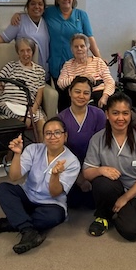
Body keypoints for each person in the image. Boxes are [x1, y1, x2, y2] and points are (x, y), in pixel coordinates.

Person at [0, 117, 80, 254]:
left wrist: (55, 175)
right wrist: (17, 154)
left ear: (65, 136)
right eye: (48, 133)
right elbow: (14, 177)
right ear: (43, 136)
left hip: (51, 203)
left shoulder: (72, 162)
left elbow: (55, 193)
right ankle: (28, 231)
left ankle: (13, 222)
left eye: (57, 133)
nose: (53, 137)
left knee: (55, 217)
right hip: (27, 195)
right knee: (2, 188)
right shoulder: (33, 149)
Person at [83, 93, 136, 240]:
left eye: (125, 113)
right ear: (107, 115)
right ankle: (104, 215)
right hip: (112, 187)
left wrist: (125, 198)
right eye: (115, 113)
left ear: (131, 114)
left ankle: (119, 210)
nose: (120, 118)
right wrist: (100, 170)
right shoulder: (98, 138)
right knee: (101, 182)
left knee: (132, 232)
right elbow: (87, 173)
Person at [10, 0, 103, 81]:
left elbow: (90, 38)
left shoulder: (81, 15)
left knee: (78, 91)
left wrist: (99, 60)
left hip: (77, 63)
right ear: (57, 0)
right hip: (55, 63)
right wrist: (19, 14)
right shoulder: (49, 12)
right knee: (59, 93)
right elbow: (35, 11)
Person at [0, 37, 46, 140]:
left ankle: (43, 154)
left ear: (33, 52)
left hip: (28, 106)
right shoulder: (11, 66)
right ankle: (11, 154)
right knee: (27, 121)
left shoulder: (39, 71)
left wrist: (33, 109)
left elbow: (39, 94)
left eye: (28, 50)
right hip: (10, 103)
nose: (26, 54)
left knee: (42, 124)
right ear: (18, 53)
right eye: (22, 51)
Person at [0, 0, 51, 80]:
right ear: (28, 6)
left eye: (40, 4)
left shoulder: (46, 21)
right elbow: (4, 37)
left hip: (43, 72)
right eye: (33, 4)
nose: (37, 6)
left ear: (44, 8)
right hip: (25, 72)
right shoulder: (19, 21)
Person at [58, 76, 107, 207]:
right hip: (70, 168)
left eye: (86, 93)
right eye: (77, 91)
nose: (81, 96)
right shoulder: (61, 119)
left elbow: (102, 147)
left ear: (91, 95)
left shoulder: (98, 114)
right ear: (69, 92)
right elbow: (59, 152)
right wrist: (79, 177)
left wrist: (90, 173)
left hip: (94, 166)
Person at [56, 33, 116, 110]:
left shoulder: (98, 61)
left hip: (101, 93)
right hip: (82, 96)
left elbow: (110, 82)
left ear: (87, 48)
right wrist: (80, 78)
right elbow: (60, 83)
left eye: (82, 46)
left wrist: (105, 96)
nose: (79, 49)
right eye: (76, 47)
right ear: (72, 49)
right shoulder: (68, 65)